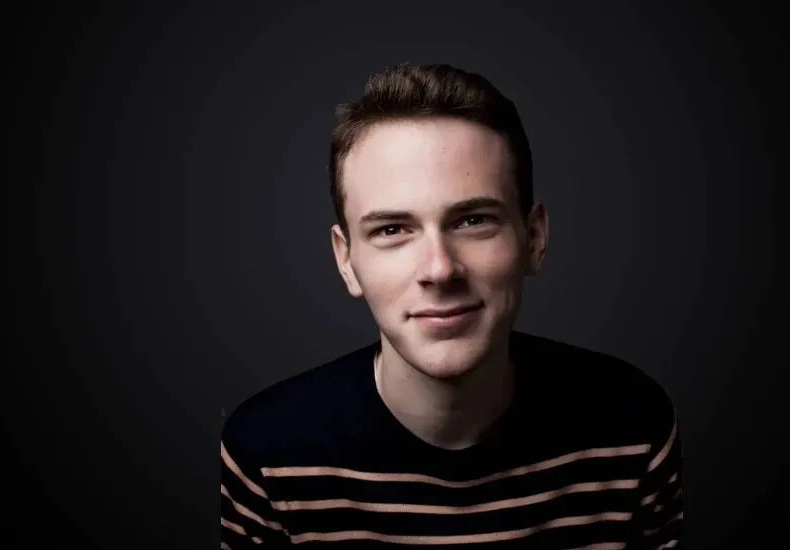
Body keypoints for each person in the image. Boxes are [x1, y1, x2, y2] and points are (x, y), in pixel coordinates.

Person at [220, 62, 685, 548]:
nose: (440, 270)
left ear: (533, 238)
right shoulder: (268, 457)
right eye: (392, 230)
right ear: (346, 260)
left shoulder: (633, 429)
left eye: (473, 221)